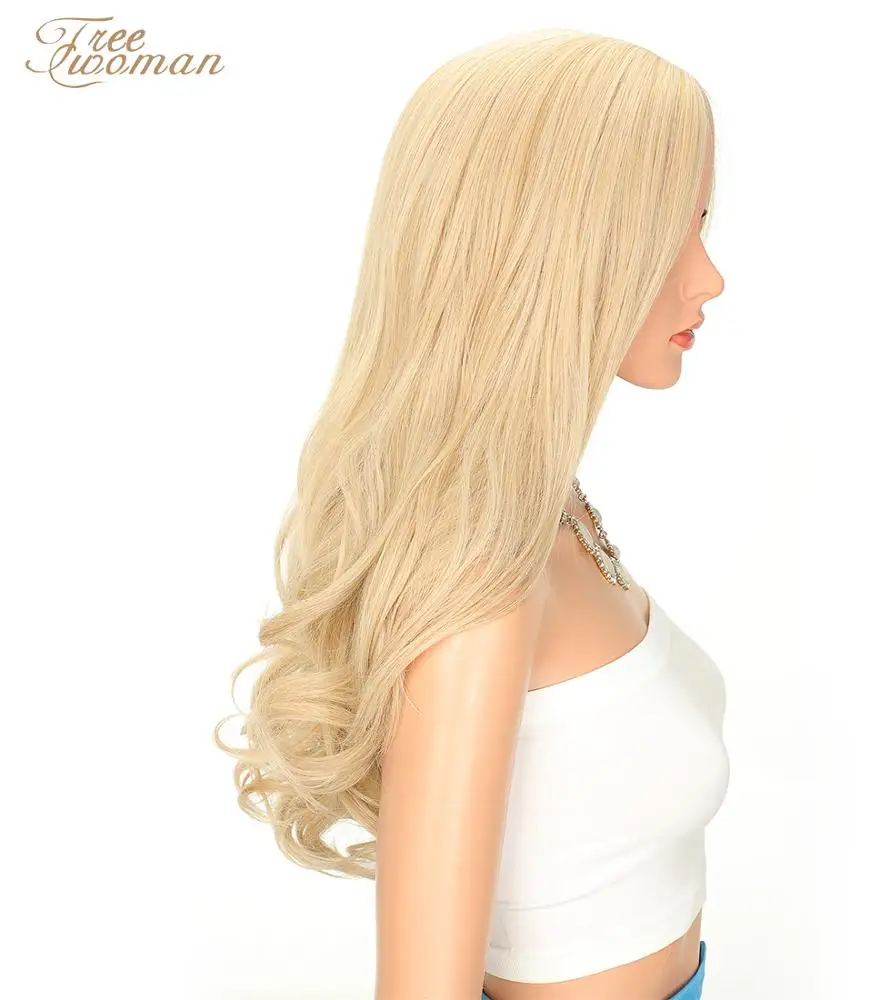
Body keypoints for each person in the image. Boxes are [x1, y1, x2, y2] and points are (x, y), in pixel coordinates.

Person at [215, 28, 728, 1000]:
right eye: (672, 228)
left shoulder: (552, 507)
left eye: (703, 222)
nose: (708, 276)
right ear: (554, 244)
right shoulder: (485, 574)